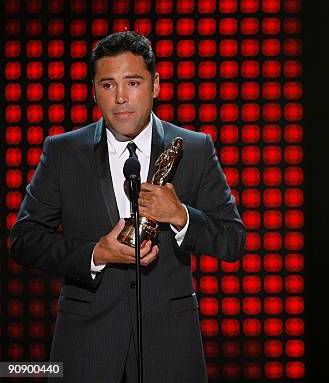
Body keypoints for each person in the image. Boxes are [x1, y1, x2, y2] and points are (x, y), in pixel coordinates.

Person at [9, 31, 246, 383]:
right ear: (93, 92)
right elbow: (24, 240)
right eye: (107, 85)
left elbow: (233, 240)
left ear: (155, 85)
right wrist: (96, 254)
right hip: (86, 348)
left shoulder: (195, 149)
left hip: (171, 349)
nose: (120, 97)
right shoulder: (63, 152)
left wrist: (181, 216)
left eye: (132, 82)